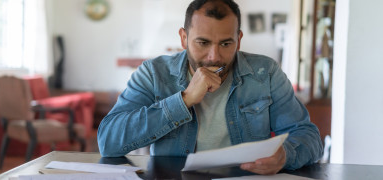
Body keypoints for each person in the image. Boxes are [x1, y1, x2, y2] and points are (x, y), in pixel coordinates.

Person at [98, 0, 323, 175]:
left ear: (239, 39)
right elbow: (108, 142)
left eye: (226, 43)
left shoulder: (265, 72)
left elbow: (308, 136)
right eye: (203, 43)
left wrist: (286, 156)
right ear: (184, 38)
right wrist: (184, 100)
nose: (214, 57)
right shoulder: (154, 73)